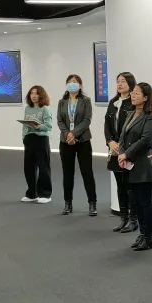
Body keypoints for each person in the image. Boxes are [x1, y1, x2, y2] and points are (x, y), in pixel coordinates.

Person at [118, 82, 152, 251]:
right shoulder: (130, 113)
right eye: (133, 92)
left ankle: (149, 236)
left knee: (145, 202)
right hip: (130, 165)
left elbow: (146, 140)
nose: (133, 95)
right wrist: (122, 153)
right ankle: (142, 234)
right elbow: (122, 137)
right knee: (135, 202)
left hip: (143, 164)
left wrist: (126, 154)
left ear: (146, 97)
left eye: (137, 93)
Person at [57, 74, 97, 216]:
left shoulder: (85, 100)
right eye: (69, 82)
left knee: (87, 172)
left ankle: (92, 203)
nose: (72, 84)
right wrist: (67, 134)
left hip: (83, 141)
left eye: (74, 82)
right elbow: (60, 121)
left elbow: (87, 120)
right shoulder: (62, 102)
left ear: (80, 85)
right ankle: (68, 203)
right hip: (65, 142)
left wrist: (74, 133)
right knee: (67, 173)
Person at [104, 72, 138, 233]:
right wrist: (110, 142)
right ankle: (123, 218)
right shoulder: (113, 102)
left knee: (130, 185)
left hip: (128, 149)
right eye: (118, 81)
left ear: (130, 84)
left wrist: (124, 147)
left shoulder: (133, 103)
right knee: (120, 185)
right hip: (115, 149)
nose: (119, 84)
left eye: (123, 81)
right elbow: (107, 125)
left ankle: (133, 219)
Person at [21, 85, 53, 204]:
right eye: (32, 93)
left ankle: (45, 194)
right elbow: (25, 126)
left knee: (43, 167)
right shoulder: (27, 109)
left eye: (37, 93)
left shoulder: (45, 109)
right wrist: (24, 137)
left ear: (41, 95)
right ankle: (32, 194)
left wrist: (38, 126)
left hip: (41, 139)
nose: (34, 96)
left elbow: (49, 125)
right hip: (29, 139)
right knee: (28, 167)